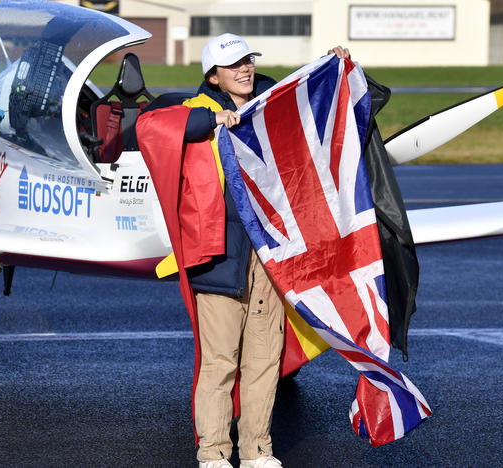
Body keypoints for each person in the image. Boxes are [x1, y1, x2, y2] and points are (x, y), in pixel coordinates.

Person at [137, 33, 350, 468]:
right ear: (213, 75)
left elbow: (305, 106)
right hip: (218, 258)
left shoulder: (266, 106)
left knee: (264, 361)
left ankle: (257, 451)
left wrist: (330, 67)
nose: (245, 69)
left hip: (269, 258)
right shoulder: (196, 112)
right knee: (219, 363)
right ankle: (213, 452)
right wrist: (217, 122)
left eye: (247, 61)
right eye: (233, 65)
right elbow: (151, 127)